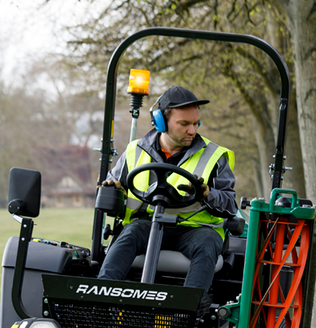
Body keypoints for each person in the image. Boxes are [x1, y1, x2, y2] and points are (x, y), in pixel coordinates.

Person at [97, 86, 237, 293]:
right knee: (129, 234)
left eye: (196, 123)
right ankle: (101, 300)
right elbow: (112, 189)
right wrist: (114, 189)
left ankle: (188, 312)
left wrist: (207, 193)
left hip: (195, 231)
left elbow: (230, 205)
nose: (192, 130)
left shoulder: (215, 156)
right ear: (161, 122)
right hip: (148, 224)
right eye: (184, 124)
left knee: (208, 243)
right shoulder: (134, 151)